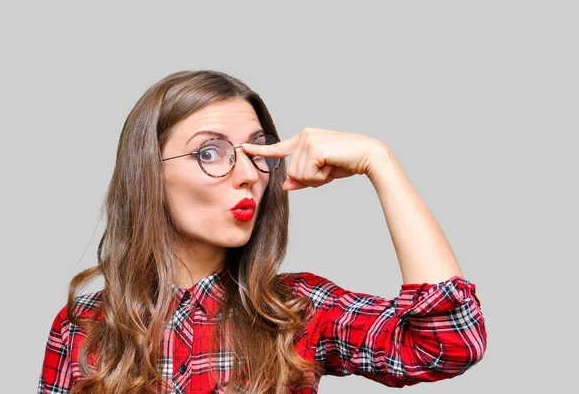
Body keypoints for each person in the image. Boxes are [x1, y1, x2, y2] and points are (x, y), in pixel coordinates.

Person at [37, 70, 487, 394]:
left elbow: (447, 341)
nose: (250, 175)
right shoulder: (85, 327)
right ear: (148, 173)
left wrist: (379, 161)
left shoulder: (297, 312)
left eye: (257, 152)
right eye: (209, 153)